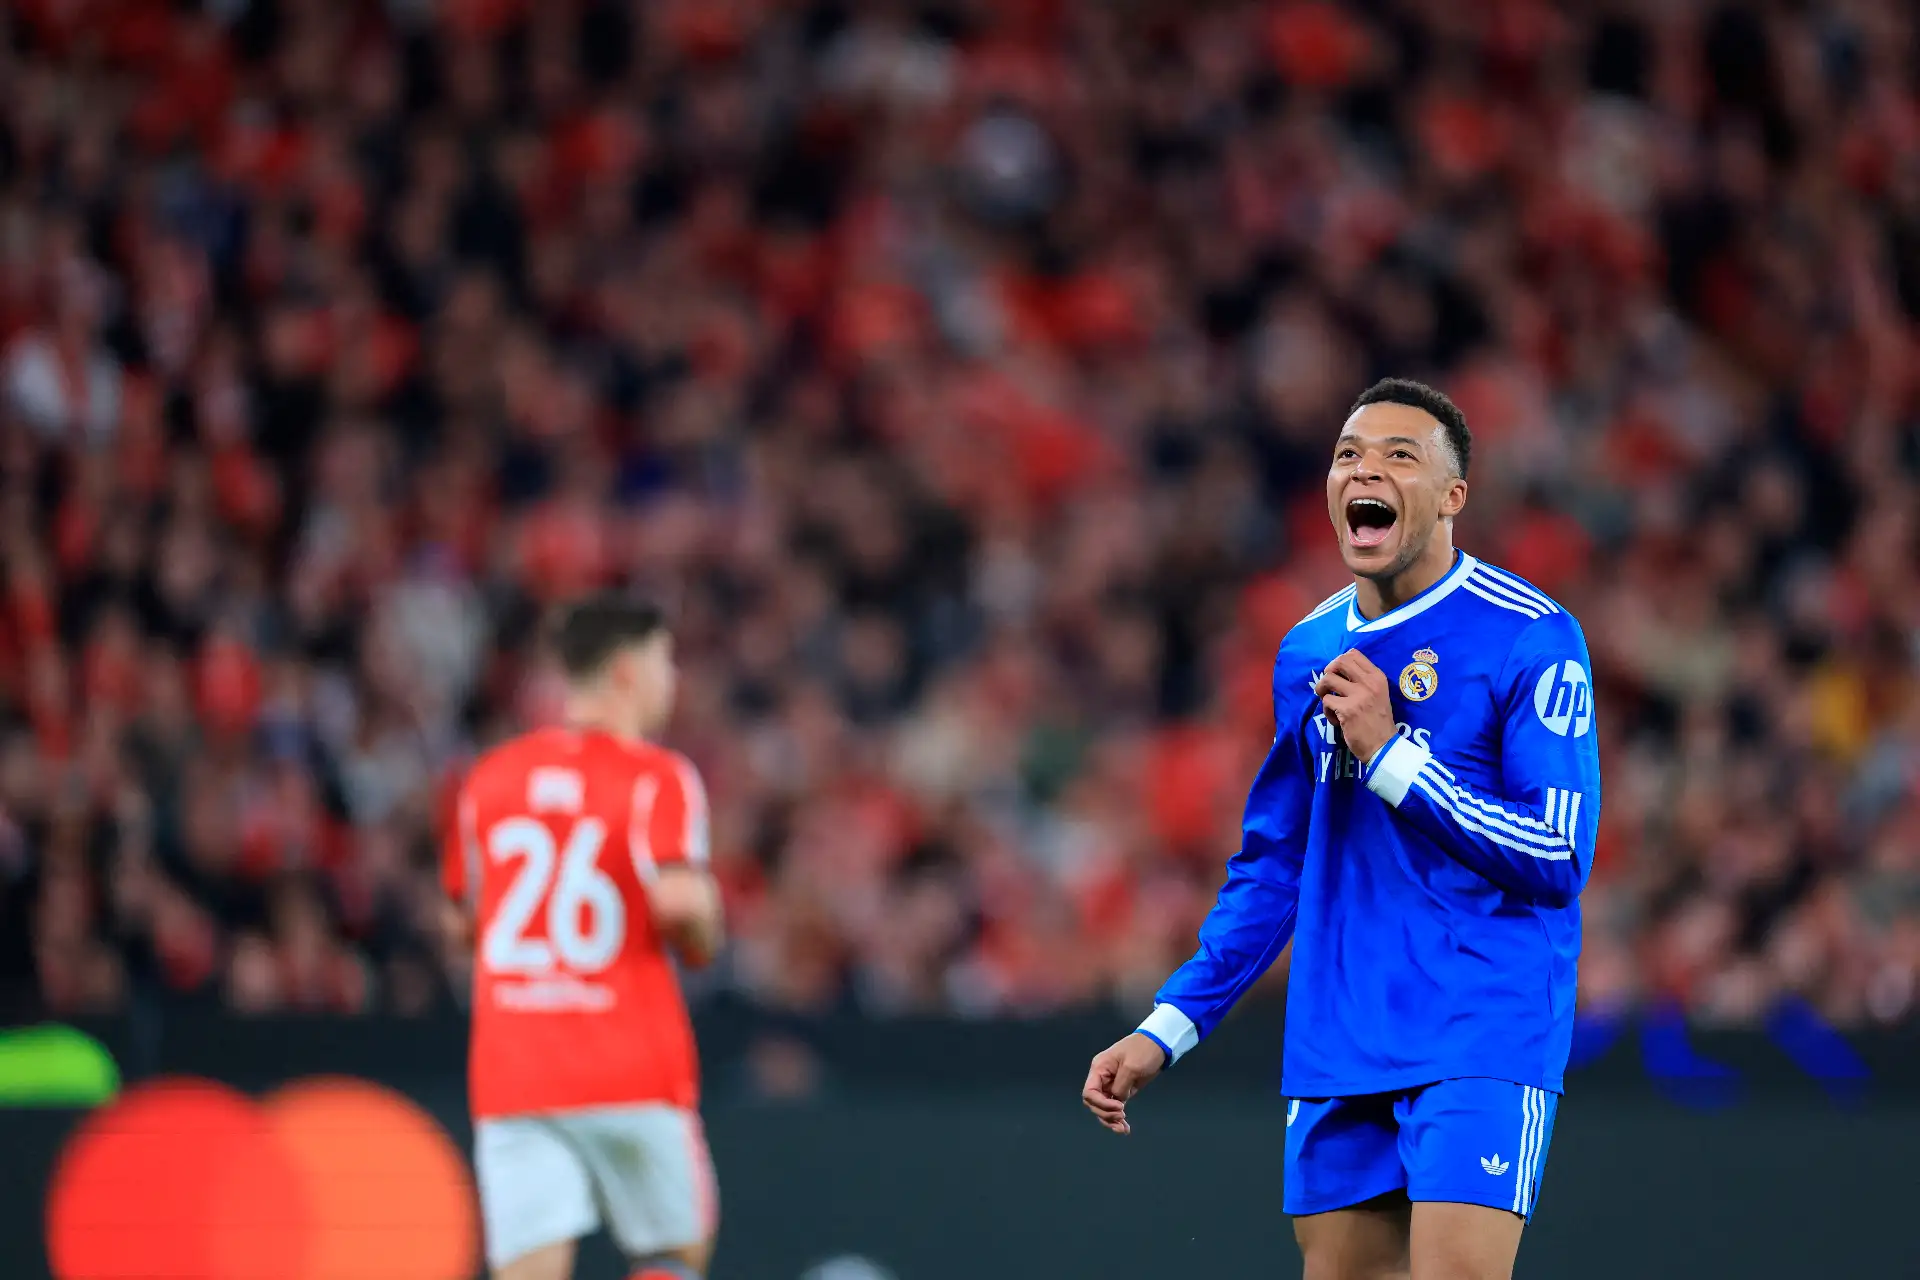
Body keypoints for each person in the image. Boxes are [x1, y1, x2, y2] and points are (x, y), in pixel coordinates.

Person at [1082, 378, 1601, 1280]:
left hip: (1479, 1023)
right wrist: (1168, 1026)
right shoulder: (1308, 650)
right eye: (1349, 456)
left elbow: (1557, 855)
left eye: (1401, 455)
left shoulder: (1533, 636)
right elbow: (1275, 867)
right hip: (1341, 1032)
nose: (1367, 469)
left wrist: (1393, 757)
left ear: (1452, 497)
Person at [444, 594, 725, 1280]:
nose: (673, 678)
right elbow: (678, 900)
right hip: (628, 1062)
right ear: (627, 671)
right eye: (667, 660)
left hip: (514, 1069)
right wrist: (706, 925)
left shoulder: (489, 780)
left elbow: (461, 921)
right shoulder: (656, 778)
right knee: (677, 1253)